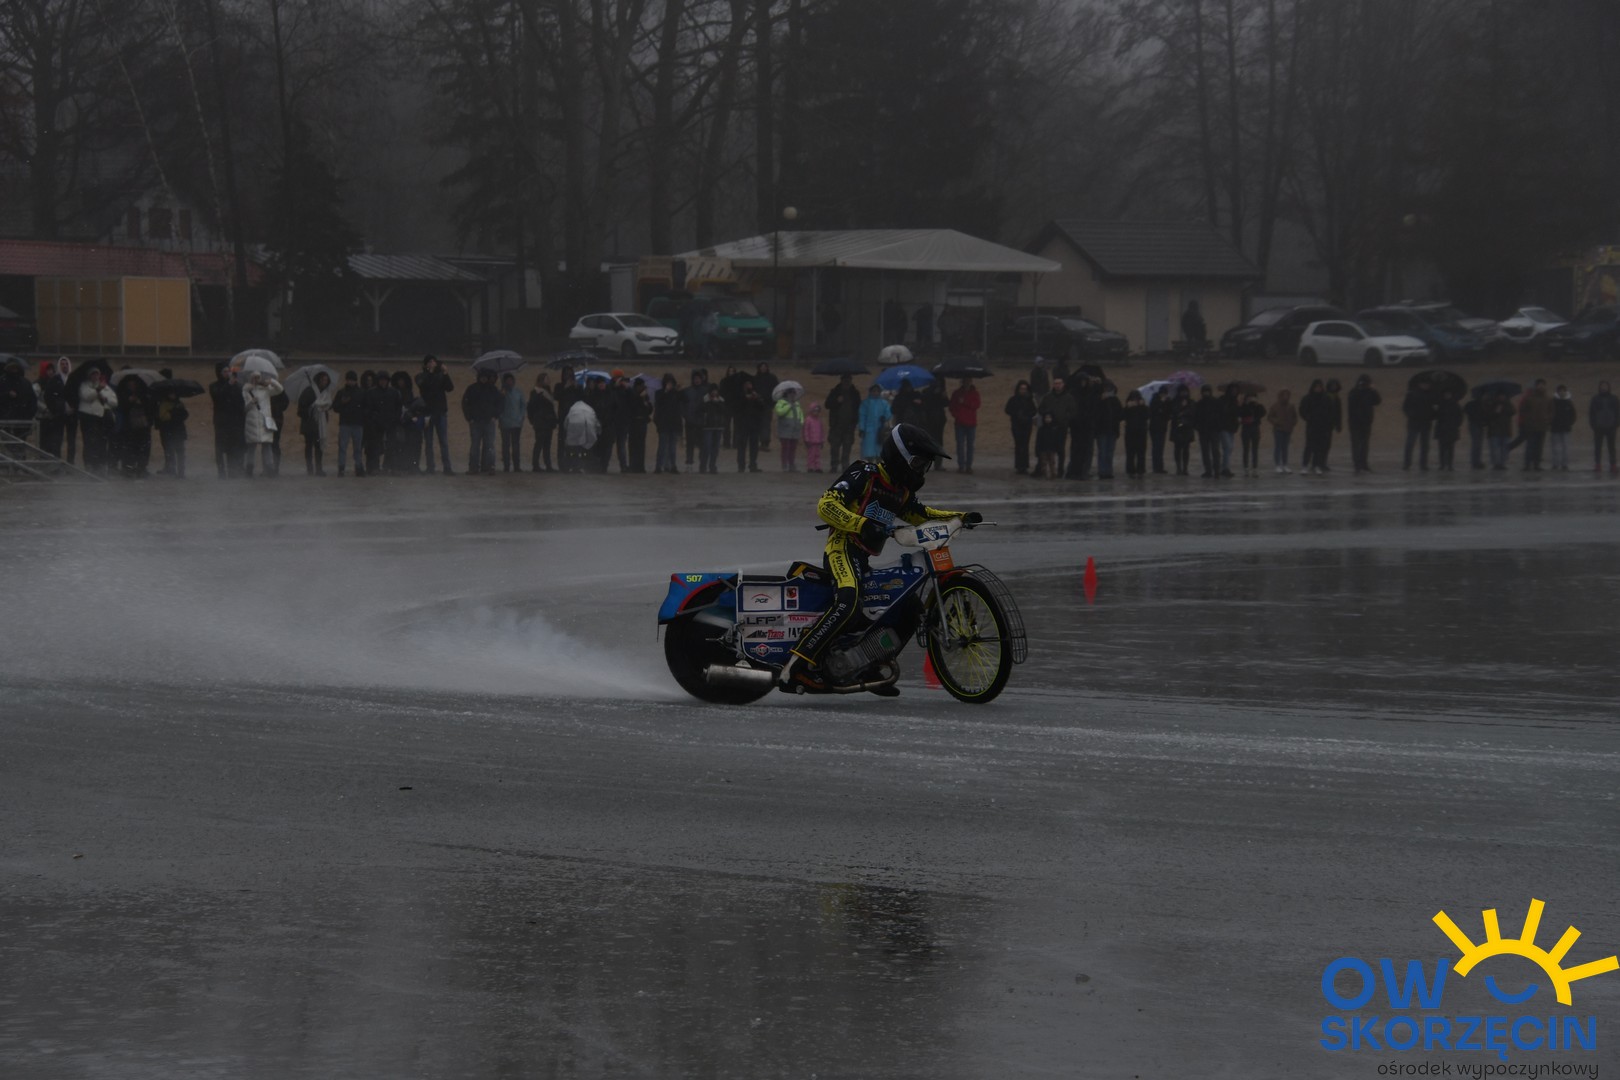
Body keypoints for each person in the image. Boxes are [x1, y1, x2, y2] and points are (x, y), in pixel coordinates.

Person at [777, 423, 979, 692]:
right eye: (918, 463)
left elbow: (922, 515)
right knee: (849, 602)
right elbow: (826, 505)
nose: (921, 471)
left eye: (925, 466)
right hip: (842, 549)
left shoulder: (901, 492)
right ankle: (795, 666)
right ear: (899, 457)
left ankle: (869, 666)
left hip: (863, 558)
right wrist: (861, 524)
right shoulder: (865, 473)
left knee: (909, 609)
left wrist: (961, 517)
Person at [415, 355, 454, 474]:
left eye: (434, 361)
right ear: (425, 364)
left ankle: (447, 467)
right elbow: (424, 386)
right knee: (428, 442)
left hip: (440, 412)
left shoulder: (440, 376)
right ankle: (430, 467)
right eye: (430, 362)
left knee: (443, 442)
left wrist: (445, 373)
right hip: (427, 413)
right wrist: (431, 372)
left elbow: (450, 388)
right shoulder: (420, 376)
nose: (432, 363)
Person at [241, 372, 282, 478]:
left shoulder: (266, 389)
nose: (256, 379)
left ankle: (270, 470)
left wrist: (272, 381)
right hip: (252, 422)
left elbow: (280, 389)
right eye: (254, 377)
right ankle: (249, 470)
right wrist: (251, 402)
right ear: (251, 378)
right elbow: (244, 408)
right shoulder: (246, 390)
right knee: (251, 447)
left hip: (265, 421)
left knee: (267, 446)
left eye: (258, 377)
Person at [461, 369, 502, 475]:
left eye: (485, 377)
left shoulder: (493, 389)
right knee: (475, 446)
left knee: (490, 445)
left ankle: (490, 467)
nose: (483, 379)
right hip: (475, 421)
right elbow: (465, 404)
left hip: (489, 421)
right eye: (481, 376)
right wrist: (469, 418)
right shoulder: (472, 389)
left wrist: (495, 416)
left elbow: (499, 404)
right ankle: (473, 467)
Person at [77, 369, 117, 474]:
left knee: (101, 442)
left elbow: (114, 401)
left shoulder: (105, 386)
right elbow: (86, 396)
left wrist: (105, 398)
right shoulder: (84, 385)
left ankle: (100, 463)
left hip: (101, 418)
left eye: (97, 374)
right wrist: (97, 391)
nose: (95, 376)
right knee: (89, 442)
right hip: (88, 418)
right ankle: (89, 464)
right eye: (93, 374)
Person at [209, 364, 245, 478]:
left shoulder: (237, 386)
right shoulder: (214, 386)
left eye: (228, 371)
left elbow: (240, 402)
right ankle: (221, 472)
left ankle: (232, 471)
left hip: (234, 421)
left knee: (232, 447)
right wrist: (229, 384)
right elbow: (218, 397)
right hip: (221, 422)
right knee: (220, 448)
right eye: (224, 371)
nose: (227, 373)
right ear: (219, 373)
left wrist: (235, 385)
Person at [116, 375, 154, 477]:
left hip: (143, 426)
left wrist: (140, 402)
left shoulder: (145, 394)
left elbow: (150, 408)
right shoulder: (122, 394)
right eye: (130, 385)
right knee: (129, 448)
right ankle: (128, 468)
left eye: (134, 385)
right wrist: (129, 401)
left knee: (143, 448)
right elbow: (121, 407)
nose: (132, 387)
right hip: (129, 426)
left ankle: (141, 467)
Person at [297, 371, 333, 477]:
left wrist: (324, 407)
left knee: (319, 446)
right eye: (323, 380)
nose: (324, 382)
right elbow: (301, 409)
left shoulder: (325, 393)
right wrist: (311, 409)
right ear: (318, 380)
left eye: (326, 380)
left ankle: (319, 469)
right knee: (309, 446)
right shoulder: (309, 391)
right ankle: (310, 469)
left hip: (320, 424)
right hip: (309, 423)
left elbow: (328, 406)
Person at [332, 371, 366, 477]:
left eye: (352, 380)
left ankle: (358, 467)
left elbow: (366, 407)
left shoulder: (361, 392)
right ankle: (341, 468)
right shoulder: (341, 392)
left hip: (357, 423)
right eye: (349, 380)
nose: (350, 382)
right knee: (343, 447)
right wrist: (342, 403)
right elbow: (335, 407)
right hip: (345, 423)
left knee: (357, 448)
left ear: (355, 381)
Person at [1039, 376, 1074, 476]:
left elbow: (1073, 411)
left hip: (1062, 426)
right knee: (1048, 449)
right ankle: (1047, 469)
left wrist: (1066, 418)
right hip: (1049, 427)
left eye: (1059, 383)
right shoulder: (1048, 396)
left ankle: (1060, 469)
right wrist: (1047, 415)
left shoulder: (1068, 397)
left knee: (1061, 449)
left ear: (1063, 385)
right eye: (1055, 383)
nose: (1057, 385)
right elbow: (1041, 409)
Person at [825, 374, 861, 472]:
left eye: (848, 380)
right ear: (841, 380)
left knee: (847, 446)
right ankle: (834, 465)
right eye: (845, 380)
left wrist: (855, 422)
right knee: (834, 446)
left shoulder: (855, 393)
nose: (847, 382)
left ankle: (845, 465)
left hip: (849, 425)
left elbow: (858, 407)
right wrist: (836, 401)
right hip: (836, 424)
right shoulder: (835, 392)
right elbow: (827, 405)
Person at [1298, 379, 1334, 475]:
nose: (1318, 389)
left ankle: (1316, 465)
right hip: (1311, 426)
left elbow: (1330, 411)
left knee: (1319, 447)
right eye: (1316, 387)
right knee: (1309, 446)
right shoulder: (1308, 398)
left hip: (1322, 426)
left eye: (1320, 387)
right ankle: (1305, 465)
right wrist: (1308, 417)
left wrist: (1327, 422)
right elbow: (1302, 410)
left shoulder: (1326, 398)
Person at [1066, 373, 1097, 479]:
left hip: (1088, 425)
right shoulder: (1073, 393)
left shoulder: (1090, 392)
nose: (1083, 383)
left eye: (1085, 381)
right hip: (1076, 426)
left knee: (1086, 450)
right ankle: (1074, 470)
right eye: (1082, 381)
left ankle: (1083, 471)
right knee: (1076, 449)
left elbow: (1093, 408)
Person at [1514, 380, 1551, 471]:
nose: (1541, 387)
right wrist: (1527, 421)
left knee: (1539, 447)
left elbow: (1551, 411)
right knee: (1530, 446)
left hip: (1542, 426)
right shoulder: (1529, 398)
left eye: (1543, 385)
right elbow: (1522, 410)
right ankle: (1527, 464)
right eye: (1539, 385)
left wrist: (1547, 420)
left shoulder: (1547, 398)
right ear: (1536, 386)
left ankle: (1537, 464)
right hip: (1531, 426)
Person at [1349, 374, 1383, 473]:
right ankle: (1357, 465)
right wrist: (1360, 390)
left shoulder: (1370, 392)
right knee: (1356, 444)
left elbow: (1378, 401)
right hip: (1355, 423)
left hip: (1366, 422)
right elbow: (1352, 406)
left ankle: (1364, 464)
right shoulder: (1354, 392)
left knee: (1364, 444)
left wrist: (1374, 390)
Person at [154, 384, 189, 478]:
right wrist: (175, 413)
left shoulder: (179, 403)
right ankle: (172, 469)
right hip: (168, 431)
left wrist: (173, 413)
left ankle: (181, 471)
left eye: (174, 394)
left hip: (177, 430)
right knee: (170, 451)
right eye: (170, 394)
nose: (172, 395)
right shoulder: (164, 404)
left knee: (180, 451)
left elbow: (184, 415)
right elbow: (164, 417)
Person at [35, 361, 67, 459]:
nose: (50, 372)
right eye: (48, 370)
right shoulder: (38, 384)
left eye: (52, 370)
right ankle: (44, 460)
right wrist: (45, 409)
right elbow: (34, 399)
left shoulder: (57, 382)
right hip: (43, 417)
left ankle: (55, 461)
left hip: (55, 416)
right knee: (44, 441)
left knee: (55, 441)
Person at [948, 377, 981, 473]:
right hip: (960, 423)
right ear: (962, 382)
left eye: (968, 381)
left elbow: (977, 405)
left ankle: (968, 466)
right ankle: (961, 465)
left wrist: (965, 402)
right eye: (965, 381)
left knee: (970, 446)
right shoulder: (957, 393)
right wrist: (956, 415)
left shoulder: (975, 393)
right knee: (960, 445)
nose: (967, 383)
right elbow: (951, 406)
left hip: (971, 423)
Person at [1401, 378, 1434, 471]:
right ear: (1420, 384)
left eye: (1427, 384)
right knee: (1410, 444)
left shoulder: (1431, 395)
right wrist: (1412, 415)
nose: (1426, 386)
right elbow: (1405, 407)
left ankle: (1423, 464)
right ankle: (1407, 464)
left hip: (1426, 423)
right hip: (1414, 423)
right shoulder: (1412, 394)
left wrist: (1432, 415)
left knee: (1425, 446)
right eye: (1424, 384)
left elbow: (1432, 409)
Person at [1005, 380, 1037, 475]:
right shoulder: (1013, 399)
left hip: (1026, 425)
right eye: (1021, 389)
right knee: (1018, 445)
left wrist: (1027, 416)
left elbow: (1034, 411)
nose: (1023, 390)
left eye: (1024, 389)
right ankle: (1019, 466)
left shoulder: (1029, 400)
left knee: (1025, 445)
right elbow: (1007, 410)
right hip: (1016, 425)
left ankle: (1025, 466)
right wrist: (1016, 413)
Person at [653, 373, 683, 473]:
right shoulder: (659, 393)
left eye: (671, 382)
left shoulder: (676, 393)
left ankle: (672, 466)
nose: (669, 384)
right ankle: (658, 466)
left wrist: (678, 391)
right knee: (662, 446)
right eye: (667, 382)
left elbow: (683, 401)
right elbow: (659, 403)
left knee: (672, 447)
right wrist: (666, 392)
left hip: (674, 423)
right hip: (663, 423)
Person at [527, 374, 557, 472]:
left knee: (547, 445)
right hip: (540, 422)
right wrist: (532, 420)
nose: (548, 380)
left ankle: (548, 465)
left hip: (548, 422)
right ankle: (535, 465)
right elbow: (531, 407)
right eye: (546, 379)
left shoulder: (548, 392)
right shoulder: (535, 392)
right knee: (539, 444)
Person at [562, 395, 599, 473]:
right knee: (586, 448)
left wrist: (566, 432)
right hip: (589, 427)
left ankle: (573, 466)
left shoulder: (573, 408)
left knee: (574, 449)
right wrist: (597, 431)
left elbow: (566, 422)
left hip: (574, 428)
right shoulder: (589, 409)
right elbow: (596, 422)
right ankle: (587, 467)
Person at [734, 379, 765, 472]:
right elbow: (736, 407)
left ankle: (753, 465)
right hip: (742, 424)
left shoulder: (756, 394)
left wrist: (757, 398)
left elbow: (763, 407)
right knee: (742, 446)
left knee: (754, 446)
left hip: (754, 424)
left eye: (750, 384)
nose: (748, 386)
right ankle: (741, 465)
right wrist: (745, 398)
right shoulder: (739, 395)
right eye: (747, 384)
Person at [555, 368, 583, 467]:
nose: (568, 376)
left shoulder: (577, 386)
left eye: (570, 374)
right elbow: (556, 397)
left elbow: (582, 398)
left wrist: (577, 388)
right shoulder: (559, 386)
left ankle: (575, 464)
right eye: (566, 374)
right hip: (564, 418)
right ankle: (562, 464)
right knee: (562, 442)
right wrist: (565, 387)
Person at [1192, 384, 1222, 478]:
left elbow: (1220, 415)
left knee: (1215, 450)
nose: (1206, 393)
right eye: (1204, 391)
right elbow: (1195, 417)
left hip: (1214, 430)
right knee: (1205, 451)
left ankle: (1216, 470)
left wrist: (1218, 426)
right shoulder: (1199, 404)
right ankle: (1208, 470)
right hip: (1203, 430)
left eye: (1207, 391)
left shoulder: (1216, 402)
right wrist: (1197, 427)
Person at [499, 372, 525, 472]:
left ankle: (516, 465)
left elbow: (522, 405)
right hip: (504, 422)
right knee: (505, 445)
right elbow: (498, 406)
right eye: (507, 380)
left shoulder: (518, 392)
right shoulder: (502, 393)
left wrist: (521, 417)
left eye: (511, 380)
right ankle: (506, 465)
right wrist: (502, 395)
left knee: (516, 445)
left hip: (516, 423)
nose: (509, 382)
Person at [857, 384, 891, 462]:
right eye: (874, 391)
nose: (875, 393)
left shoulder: (884, 403)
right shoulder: (865, 403)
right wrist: (862, 428)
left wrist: (885, 417)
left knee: (880, 452)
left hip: (880, 430)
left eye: (877, 391)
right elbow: (862, 416)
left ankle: (879, 466)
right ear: (870, 392)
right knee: (869, 452)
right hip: (869, 431)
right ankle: (871, 466)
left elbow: (888, 413)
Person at [1591, 380, 1619, 474]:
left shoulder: (1614, 398)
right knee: (1597, 447)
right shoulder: (1595, 399)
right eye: (1602, 386)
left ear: (1608, 387)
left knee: (1611, 447)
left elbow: (1617, 412)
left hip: (1611, 427)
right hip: (1598, 427)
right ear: (1599, 387)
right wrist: (1593, 425)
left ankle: (1613, 465)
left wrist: (1616, 424)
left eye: (1605, 386)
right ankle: (1598, 465)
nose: (1604, 388)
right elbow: (1591, 413)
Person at [683, 369, 709, 469]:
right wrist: (685, 415)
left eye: (698, 378)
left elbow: (708, 405)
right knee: (690, 444)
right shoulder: (687, 391)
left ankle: (702, 464)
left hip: (701, 421)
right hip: (690, 421)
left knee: (702, 444)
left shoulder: (706, 391)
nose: (697, 380)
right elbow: (682, 404)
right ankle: (689, 463)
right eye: (695, 379)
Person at [775, 386, 805, 471]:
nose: (792, 395)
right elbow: (780, 412)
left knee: (793, 448)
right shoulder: (781, 402)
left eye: (794, 393)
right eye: (791, 393)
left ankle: (791, 464)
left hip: (795, 429)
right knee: (785, 448)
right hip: (785, 429)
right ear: (787, 394)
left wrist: (801, 422)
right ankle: (784, 465)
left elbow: (800, 413)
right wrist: (789, 405)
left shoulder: (797, 403)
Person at [1268, 388, 1297, 475]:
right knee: (1278, 447)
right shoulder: (1275, 406)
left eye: (1287, 395)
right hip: (1278, 429)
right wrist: (1276, 422)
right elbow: (1270, 417)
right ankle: (1277, 465)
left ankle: (1285, 464)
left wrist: (1292, 423)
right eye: (1284, 395)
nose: (1285, 397)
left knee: (1285, 448)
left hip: (1287, 430)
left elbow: (1295, 417)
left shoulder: (1291, 406)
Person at [698, 384, 726, 474]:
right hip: (707, 426)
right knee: (706, 447)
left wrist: (717, 402)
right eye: (713, 391)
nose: (714, 392)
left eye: (716, 391)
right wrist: (710, 401)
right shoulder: (705, 399)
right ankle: (703, 466)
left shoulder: (721, 400)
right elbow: (702, 409)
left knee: (715, 448)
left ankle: (712, 466)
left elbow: (724, 410)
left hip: (718, 426)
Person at [626, 377, 652, 472]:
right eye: (641, 386)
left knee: (641, 445)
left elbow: (649, 410)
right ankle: (633, 465)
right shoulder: (632, 394)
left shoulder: (645, 396)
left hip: (642, 422)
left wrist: (646, 404)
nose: (642, 388)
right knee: (633, 445)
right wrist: (640, 398)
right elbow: (631, 406)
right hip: (633, 422)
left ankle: (640, 466)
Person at [1169, 384, 1196, 476]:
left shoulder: (1191, 402)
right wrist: (1181, 407)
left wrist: (1185, 409)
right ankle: (1178, 468)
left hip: (1187, 428)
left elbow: (1193, 413)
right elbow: (1173, 413)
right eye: (1182, 392)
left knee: (1186, 449)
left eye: (1185, 392)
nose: (1184, 393)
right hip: (1177, 428)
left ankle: (1185, 468)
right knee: (1177, 449)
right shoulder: (1174, 402)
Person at [1121, 389, 1149, 478]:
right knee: (1130, 453)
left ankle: (1140, 470)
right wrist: (1127, 407)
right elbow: (1122, 416)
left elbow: (1147, 415)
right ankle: (1130, 470)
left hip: (1141, 432)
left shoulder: (1143, 407)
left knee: (1141, 453)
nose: (1135, 401)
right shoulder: (1128, 407)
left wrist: (1143, 406)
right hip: (1130, 432)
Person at [1237, 391, 1266, 475]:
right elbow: (1241, 413)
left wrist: (1257, 404)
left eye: (1253, 397)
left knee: (1255, 449)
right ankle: (1246, 467)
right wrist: (1245, 404)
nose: (1251, 399)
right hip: (1246, 428)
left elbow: (1263, 413)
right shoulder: (1243, 406)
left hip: (1255, 427)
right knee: (1246, 448)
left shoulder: (1257, 406)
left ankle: (1255, 467)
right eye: (1249, 397)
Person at [1485, 390, 1515, 469]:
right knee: (1494, 448)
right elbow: (1488, 416)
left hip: (1505, 429)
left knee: (1504, 448)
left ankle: (1503, 463)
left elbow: (1513, 412)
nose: (1502, 397)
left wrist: (1505, 408)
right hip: (1494, 430)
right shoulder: (1491, 404)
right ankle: (1496, 464)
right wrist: (1496, 411)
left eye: (1503, 396)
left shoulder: (1508, 404)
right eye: (1500, 395)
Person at [1548, 385, 1575, 472]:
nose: (1561, 392)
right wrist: (1551, 423)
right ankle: (1555, 464)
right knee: (1555, 448)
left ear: (1565, 392)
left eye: (1563, 391)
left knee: (1565, 447)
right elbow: (1549, 413)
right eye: (1560, 391)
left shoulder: (1569, 402)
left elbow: (1573, 414)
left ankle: (1565, 464)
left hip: (1566, 428)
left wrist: (1569, 423)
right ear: (1557, 392)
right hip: (1555, 428)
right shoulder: (1553, 402)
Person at [1435, 390, 1463, 472]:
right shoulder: (1441, 404)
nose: (1447, 396)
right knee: (1442, 448)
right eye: (1446, 394)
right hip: (1442, 429)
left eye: (1448, 394)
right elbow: (1437, 416)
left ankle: (1450, 464)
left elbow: (1460, 417)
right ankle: (1442, 464)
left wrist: (1456, 424)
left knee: (1450, 448)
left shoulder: (1455, 405)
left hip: (1451, 429)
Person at [752, 362, 778, 450]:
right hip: (757, 405)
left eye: (765, 367)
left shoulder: (772, 378)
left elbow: (776, 391)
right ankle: (758, 442)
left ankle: (765, 443)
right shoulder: (755, 379)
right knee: (757, 424)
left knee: (766, 424)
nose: (763, 368)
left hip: (768, 405)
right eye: (761, 367)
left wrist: (772, 402)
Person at [1216, 382, 1239, 477]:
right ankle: (1225, 468)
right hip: (1223, 427)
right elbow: (1220, 412)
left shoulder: (1235, 401)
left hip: (1231, 428)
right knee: (1228, 447)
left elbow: (1236, 414)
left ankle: (1224, 467)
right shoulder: (1223, 400)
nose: (1234, 392)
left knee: (1229, 448)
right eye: (1233, 390)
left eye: (1236, 390)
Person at [1148, 386, 1172, 474]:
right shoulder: (1154, 400)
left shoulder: (1167, 401)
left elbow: (1168, 414)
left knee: (1160, 448)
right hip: (1154, 427)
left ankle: (1160, 467)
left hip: (1162, 427)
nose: (1164, 395)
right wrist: (1161, 403)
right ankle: (1156, 467)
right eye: (1163, 393)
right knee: (1156, 447)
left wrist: (1166, 403)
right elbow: (1152, 411)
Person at [918, 378, 949, 444]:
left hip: (939, 417)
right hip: (929, 417)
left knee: (938, 437)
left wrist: (944, 396)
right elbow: (924, 404)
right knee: (931, 436)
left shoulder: (941, 391)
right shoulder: (926, 391)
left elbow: (946, 403)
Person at [1035, 410, 1062, 479]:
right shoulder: (1041, 429)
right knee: (1043, 462)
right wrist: (1037, 450)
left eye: (1049, 418)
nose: (1047, 419)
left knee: (1052, 462)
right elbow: (1038, 441)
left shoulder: (1055, 429)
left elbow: (1057, 440)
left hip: (1052, 448)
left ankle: (1053, 474)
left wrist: (1058, 448)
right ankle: (1044, 474)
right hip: (1043, 449)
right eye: (1046, 418)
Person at [1464, 393, 1486, 470]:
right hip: (1476, 425)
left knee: (1477, 444)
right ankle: (1475, 462)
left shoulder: (1471, 404)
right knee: (1477, 444)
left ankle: (1476, 461)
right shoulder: (1477, 405)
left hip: (1477, 425)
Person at [803, 401, 826, 473]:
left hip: (818, 441)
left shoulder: (819, 420)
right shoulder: (808, 420)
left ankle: (817, 467)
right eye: (814, 411)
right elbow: (806, 430)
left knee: (817, 455)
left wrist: (822, 440)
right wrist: (807, 440)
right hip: (811, 441)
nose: (816, 413)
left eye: (817, 411)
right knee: (811, 455)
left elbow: (822, 431)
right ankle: (810, 467)